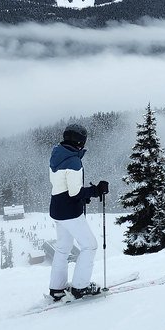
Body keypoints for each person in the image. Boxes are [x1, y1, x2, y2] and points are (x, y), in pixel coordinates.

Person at [48, 123, 109, 301]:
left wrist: (83, 195)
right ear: (81, 141)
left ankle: (57, 288)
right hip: (69, 211)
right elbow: (74, 192)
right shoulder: (74, 162)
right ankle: (80, 287)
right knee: (90, 245)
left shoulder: (56, 153)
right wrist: (96, 190)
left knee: (63, 249)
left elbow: (64, 185)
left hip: (57, 207)